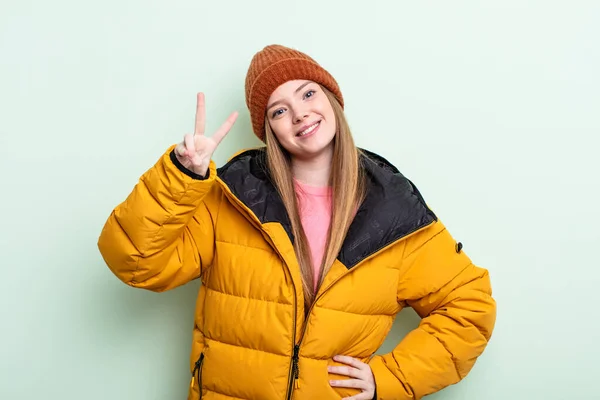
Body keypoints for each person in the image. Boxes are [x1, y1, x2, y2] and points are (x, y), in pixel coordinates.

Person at [97, 44, 496, 400]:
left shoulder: (392, 210)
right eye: (279, 109)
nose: (300, 112)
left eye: (308, 93)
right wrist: (181, 177)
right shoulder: (231, 198)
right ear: (269, 129)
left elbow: (470, 307)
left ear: (331, 99)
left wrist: (388, 379)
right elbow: (136, 264)